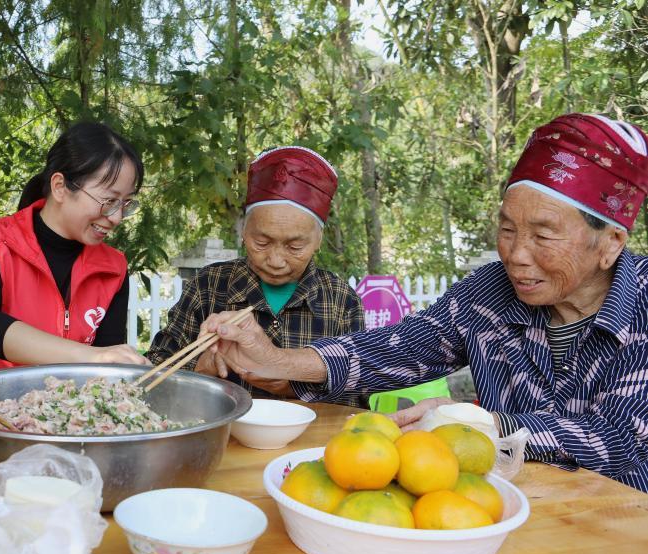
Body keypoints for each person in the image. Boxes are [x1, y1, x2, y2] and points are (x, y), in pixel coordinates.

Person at [200, 113, 648, 492]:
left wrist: (477, 422)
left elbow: (621, 438)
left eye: (543, 235)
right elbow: (399, 348)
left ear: (610, 242)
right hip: (495, 509)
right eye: (507, 229)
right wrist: (277, 360)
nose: (515, 254)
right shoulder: (490, 290)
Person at [147, 146, 363, 401]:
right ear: (244, 230)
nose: (275, 261)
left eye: (295, 246)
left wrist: (293, 384)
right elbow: (155, 371)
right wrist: (203, 366)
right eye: (261, 242)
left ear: (318, 239)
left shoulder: (341, 300)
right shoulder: (209, 286)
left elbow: (357, 395)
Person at [0, 122, 150, 377]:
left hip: (69, 403)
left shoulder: (113, 268)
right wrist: (93, 356)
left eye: (126, 203)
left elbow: (106, 364)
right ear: (60, 187)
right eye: (109, 201)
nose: (116, 217)